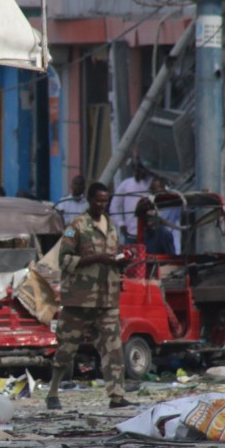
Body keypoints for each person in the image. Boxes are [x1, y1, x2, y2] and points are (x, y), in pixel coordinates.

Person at [47, 182, 134, 411]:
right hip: (79, 299)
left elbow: (111, 258)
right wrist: (95, 258)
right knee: (66, 348)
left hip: (107, 299)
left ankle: (116, 396)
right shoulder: (75, 226)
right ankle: (53, 392)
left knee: (113, 348)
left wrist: (121, 261)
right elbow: (63, 260)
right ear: (89, 200)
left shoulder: (111, 226)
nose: (101, 205)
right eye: (98, 201)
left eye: (105, 201)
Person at [110, 160, 151, 244]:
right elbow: (114, 206)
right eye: (138, 169)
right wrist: (121, 224)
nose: (140, 171)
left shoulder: (152, 184)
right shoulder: (126, 184)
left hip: (149, 234)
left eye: (142, 169)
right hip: (130, 234)